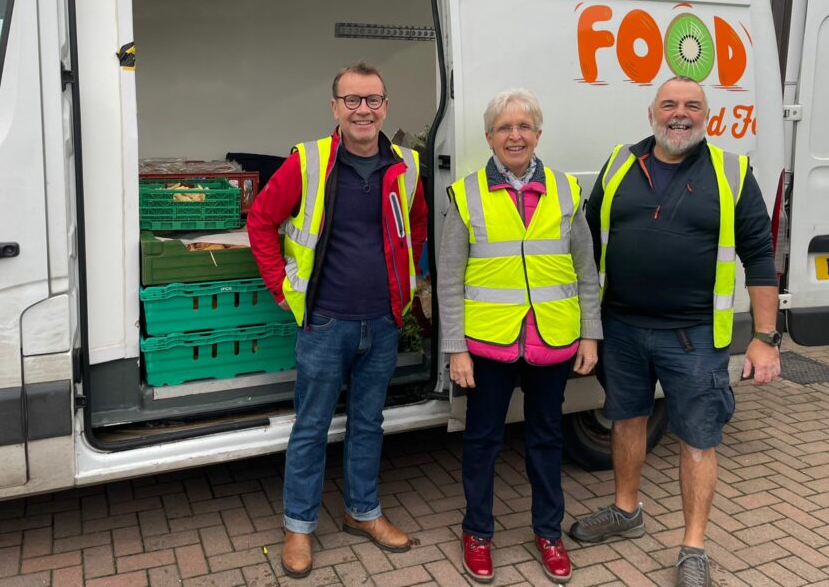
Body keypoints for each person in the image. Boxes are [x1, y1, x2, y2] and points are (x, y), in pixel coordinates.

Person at [571, 76, 781, 587]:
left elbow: (758, 256)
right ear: (652, 113)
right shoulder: (622, 162)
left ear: (706, 116)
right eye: (669, 105)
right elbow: (586, 233)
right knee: (625, 420)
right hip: (621, 325)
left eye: (691, 106)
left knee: (697, 440)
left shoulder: (732, 172)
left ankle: (693, 547)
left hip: (693, 336)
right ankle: (626, 511)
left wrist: (765, 337)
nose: (679, 114)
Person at [247, 61, 428, 579]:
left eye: (372, 100)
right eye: (352, 100)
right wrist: (279, 286)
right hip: (326, 323)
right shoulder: (309, 162)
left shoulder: (407, 165)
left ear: (386, 107)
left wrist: (404, 284)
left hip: (383, 323)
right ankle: (299, 527)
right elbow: (261, 219)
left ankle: (362, 512)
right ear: (335, 108)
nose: (363, 109)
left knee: (369, 424)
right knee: (311, 427)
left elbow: (415, 225)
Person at [439, 88, 601, 584]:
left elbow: (585, 269)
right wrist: (455, 349)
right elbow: (449, 278)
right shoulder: (466, 195)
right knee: (483, 440)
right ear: (489, 137)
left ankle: (548, 533)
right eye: (504, 128)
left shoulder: (567, 190)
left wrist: (590, 335)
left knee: (547, 439)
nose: (515, 135)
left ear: (537, 133)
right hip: (488, 345)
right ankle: (477, 532)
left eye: (523, 126)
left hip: (552, 340)